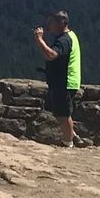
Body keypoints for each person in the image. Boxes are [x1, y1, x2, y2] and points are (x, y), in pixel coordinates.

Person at [36, 10, 82, 148]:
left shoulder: (64, 40)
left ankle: (68, 143)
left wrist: (39, 39)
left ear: (61, 23)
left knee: (63, 114)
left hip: (65, 82)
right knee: (60, 111)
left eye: (52, 22)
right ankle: (74, 136)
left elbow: (51, 55)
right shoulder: (71, 36)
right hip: (67, 80)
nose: (49, 25)